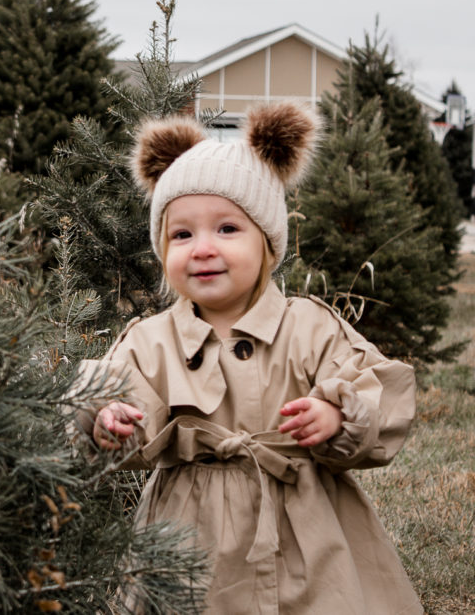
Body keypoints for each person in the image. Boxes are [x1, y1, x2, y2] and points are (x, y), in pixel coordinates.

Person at [79, 101, 422, 614]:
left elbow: (382, 391)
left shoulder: (307, 325)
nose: (202, 248)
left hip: (304, 527)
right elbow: (118, 397)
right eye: (182, 234)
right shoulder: (152, 340)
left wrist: (338, 413)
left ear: (267, 243)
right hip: (188, 532)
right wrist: (106, 420)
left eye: (227, 229)